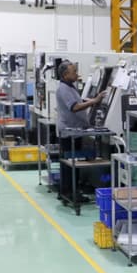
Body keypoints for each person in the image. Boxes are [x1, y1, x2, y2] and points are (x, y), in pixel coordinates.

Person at [52, 61, 103, 199]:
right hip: (69, 132)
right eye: (73, 71)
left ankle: (68, 191)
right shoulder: (63, 89)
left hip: (75, 131)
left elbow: (78, 101)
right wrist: (93, 101)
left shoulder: (70, 87)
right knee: (69, 165)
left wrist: (90, 100)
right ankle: (69, 193)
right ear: (65, 74)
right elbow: (74, 107)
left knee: (72, 164)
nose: (77, 74)